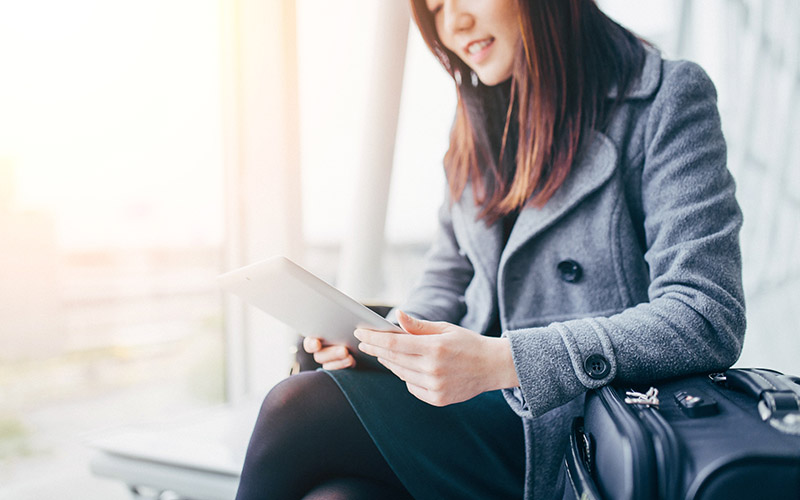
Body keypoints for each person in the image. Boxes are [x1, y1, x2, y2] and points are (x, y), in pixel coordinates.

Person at [235, 0, 746, 498]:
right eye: (434, 8)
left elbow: (706, 314)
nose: (453, 23)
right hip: (478, 408)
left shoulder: (665, 99)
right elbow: (446, 281)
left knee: (296, 406)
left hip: (580, 430)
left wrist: (504, 362)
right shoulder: (477, 120)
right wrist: (377, 341)